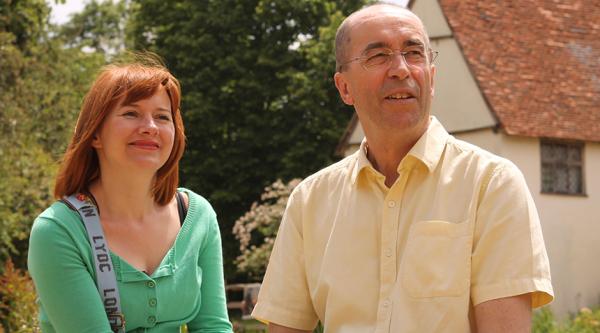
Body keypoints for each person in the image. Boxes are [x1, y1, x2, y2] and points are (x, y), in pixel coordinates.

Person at [252, 3, 553, 332]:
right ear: (344, 88)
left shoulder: (491, 184)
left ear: (432, 78)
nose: (401, 69)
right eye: (378, 56)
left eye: (413, 53)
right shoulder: (309, 201)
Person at [28, 54, 233, 332]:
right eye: (131, 113)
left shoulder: (197, 216)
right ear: (95, 135)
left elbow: (213, 327)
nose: (149, 127)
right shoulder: (58, 231)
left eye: (162, 116)